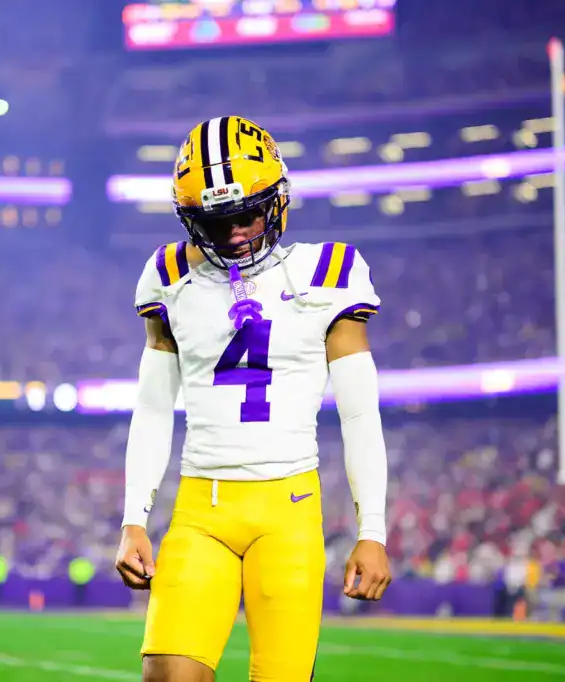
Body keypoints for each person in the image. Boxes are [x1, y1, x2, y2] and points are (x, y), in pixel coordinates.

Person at [115, 116, 392, 682]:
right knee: (167, 677)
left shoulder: (329, 272)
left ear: (277, 200)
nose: (236, 232)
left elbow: (360, 415)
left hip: (288, 512)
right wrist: (133, 518)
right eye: (216, 223)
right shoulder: (169, 276)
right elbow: (152, 406)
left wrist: (373, 532)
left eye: (245, 214)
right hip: (201, 509)